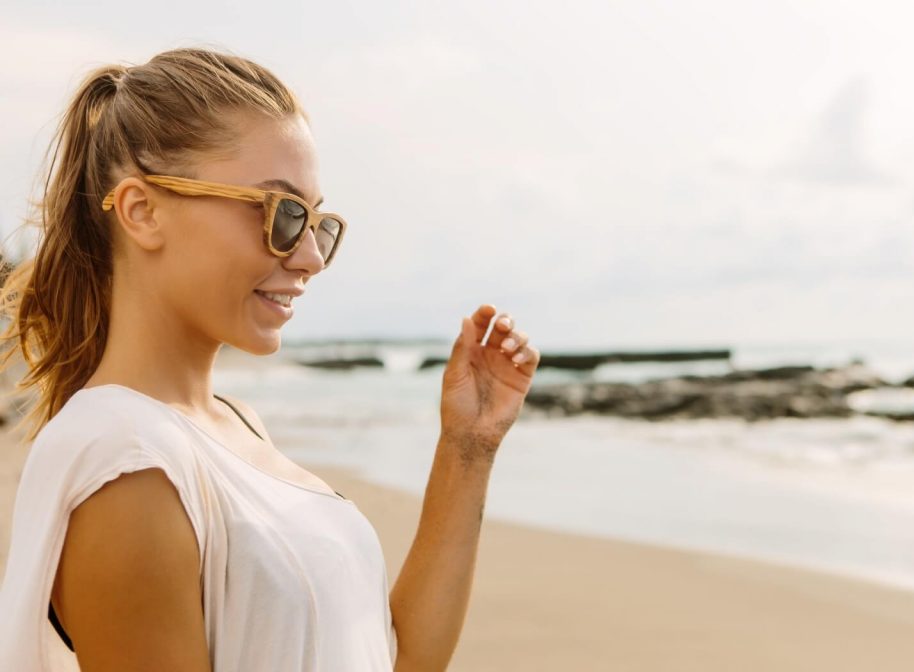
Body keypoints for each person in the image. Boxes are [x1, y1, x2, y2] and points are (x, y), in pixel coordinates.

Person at [0, 47, 539, 671]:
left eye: (319, 222)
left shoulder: (232, 426)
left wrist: (468, 448)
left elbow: (394, 660)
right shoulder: (128, 465)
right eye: (281, 213)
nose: (310, 256)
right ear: (143, 212)